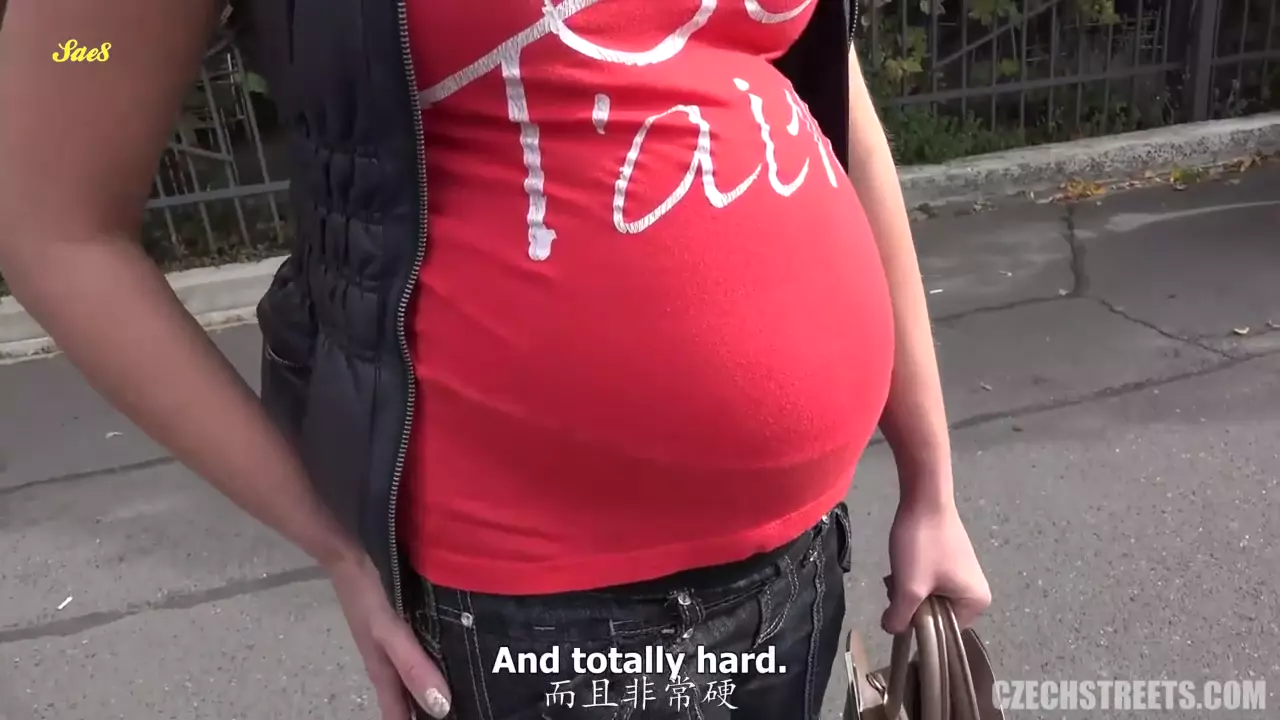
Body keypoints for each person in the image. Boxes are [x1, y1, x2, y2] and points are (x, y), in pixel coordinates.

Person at [0, 0, 991, 718]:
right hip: (539, 609)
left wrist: (930, 481)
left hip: (802, 558)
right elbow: (54, 226)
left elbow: (824, 101)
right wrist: (338, 543)